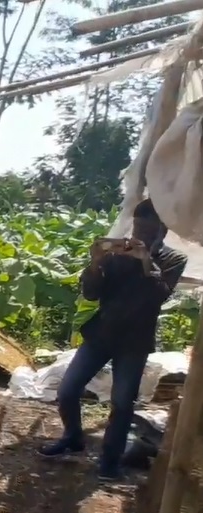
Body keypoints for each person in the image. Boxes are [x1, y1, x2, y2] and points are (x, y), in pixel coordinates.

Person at [39, 198, 187, 482]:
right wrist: (95, 264)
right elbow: (92, 294)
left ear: (162, 232)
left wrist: (146, 262)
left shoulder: (173, 260)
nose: (139, 236)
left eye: (148, 231)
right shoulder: (117, 254)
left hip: (134, 343)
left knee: (121, 403)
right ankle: (73, 437)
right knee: (68, 390)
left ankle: (109, 461)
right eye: (138, 228)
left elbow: (159, 296)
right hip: (101, 334)